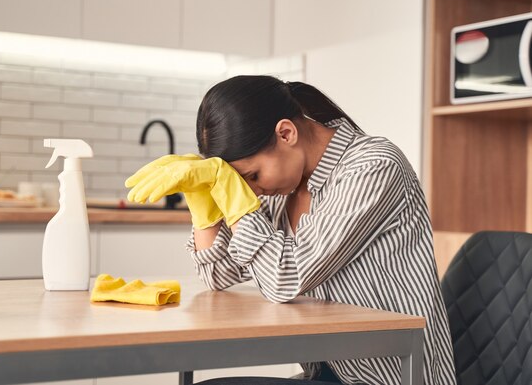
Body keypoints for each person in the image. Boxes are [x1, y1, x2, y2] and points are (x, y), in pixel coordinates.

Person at [125, 75, 456, 385]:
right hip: (331, 372)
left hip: (393, 377)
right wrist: (203, 204)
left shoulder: (373, 167)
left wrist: (236, 200)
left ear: (286, 134)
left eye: (252, 177)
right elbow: (219, 275)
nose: (251, 191)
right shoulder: (286, 185)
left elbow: (285, 278)